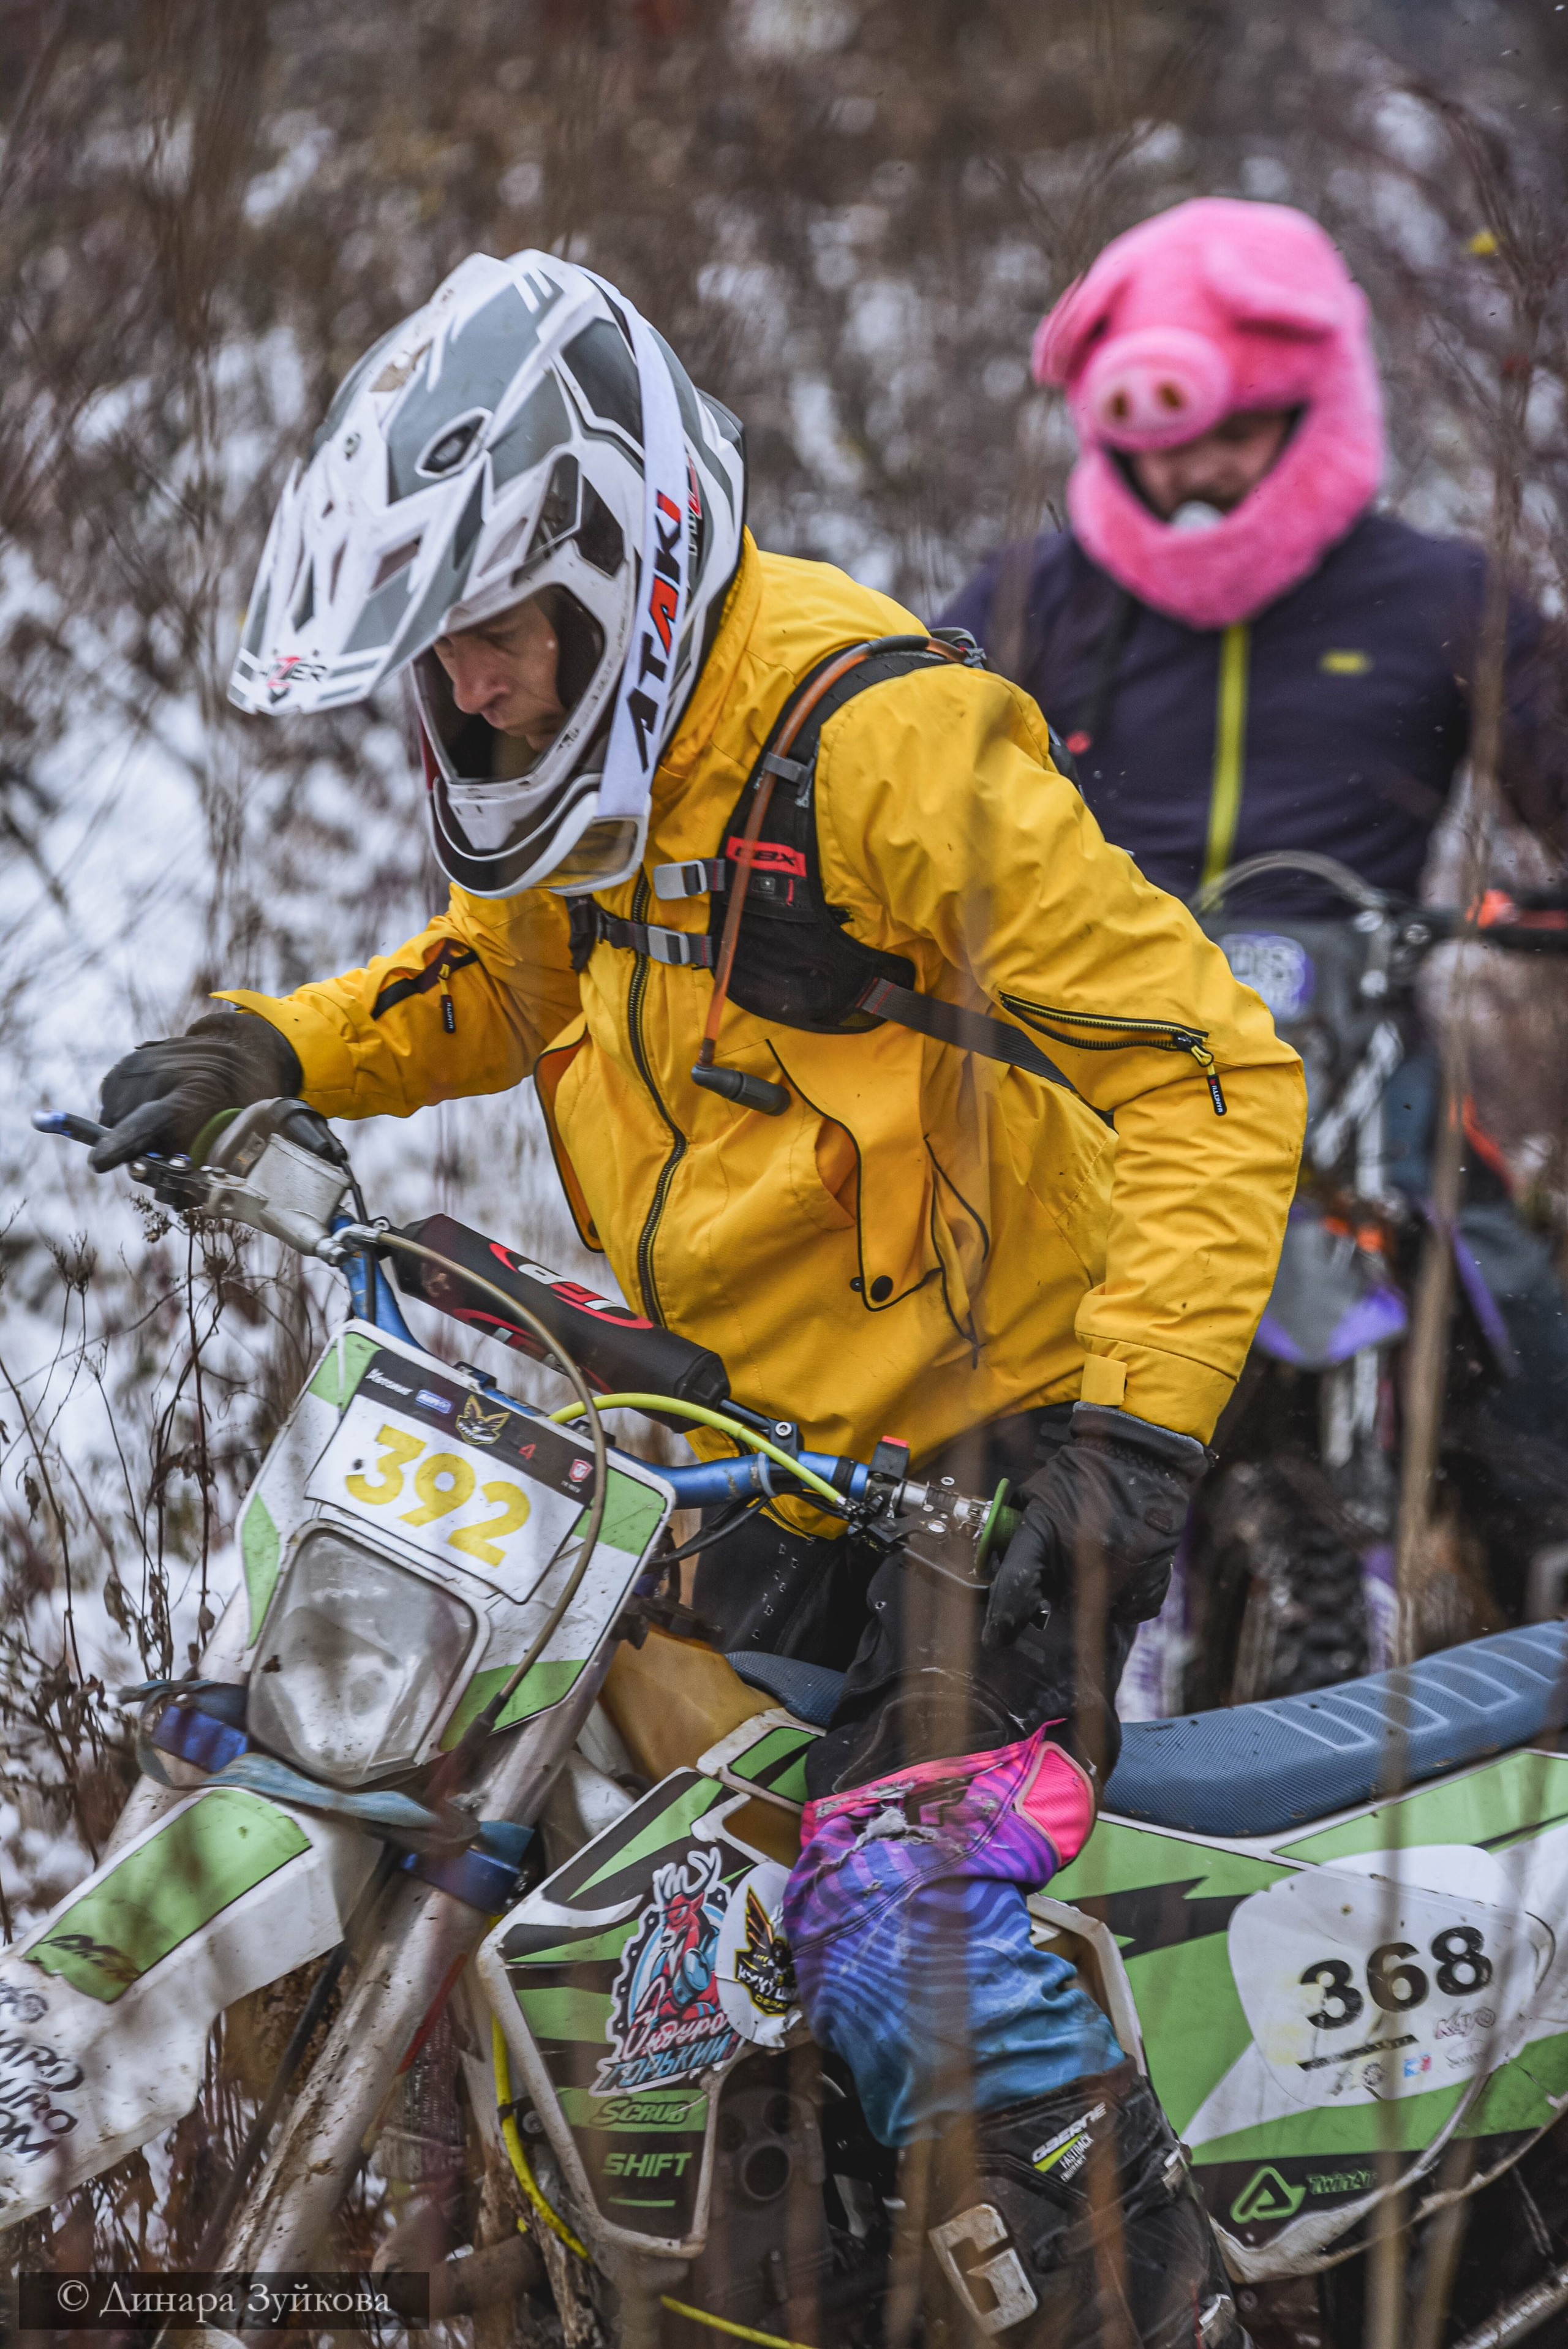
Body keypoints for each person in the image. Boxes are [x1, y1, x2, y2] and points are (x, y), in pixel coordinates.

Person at [90, 250, 1302, 2345]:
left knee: (882, 1902)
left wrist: (1128, 1446)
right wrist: (278, 1045)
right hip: (767, 1448)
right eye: (438, 653)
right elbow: (505, 971)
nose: (468, 688)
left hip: (1015, 1454)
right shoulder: (604, 762)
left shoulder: (882, 746)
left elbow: (1209, 1066)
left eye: (491, 635)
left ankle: (1133, 2292)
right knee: (554, 1833)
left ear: (624, 566)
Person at [941, 197, 1568, 1619]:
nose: (1195, 480)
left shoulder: (1436, 595)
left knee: (1515, 1302)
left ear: (1313, 408)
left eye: (1229, 437)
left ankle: (1537, 1606)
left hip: (1369, 1086)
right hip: (1080, 1075)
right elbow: (909, 793)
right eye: (1157, 451)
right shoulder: (1033, 601)